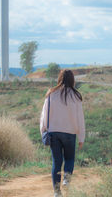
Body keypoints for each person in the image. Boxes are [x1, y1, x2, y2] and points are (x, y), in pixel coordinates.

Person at [40, 69, 85, 197]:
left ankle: (57, 192)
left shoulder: (51, 94)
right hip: (70, 133)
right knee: (70, 159)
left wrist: (43, 131)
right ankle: (66, 179)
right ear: (72, 80)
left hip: (53, 133)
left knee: (56, 162)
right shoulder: (76, 96)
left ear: (59, 78)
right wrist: (81, 137)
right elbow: (80, 119)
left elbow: (44, 115)